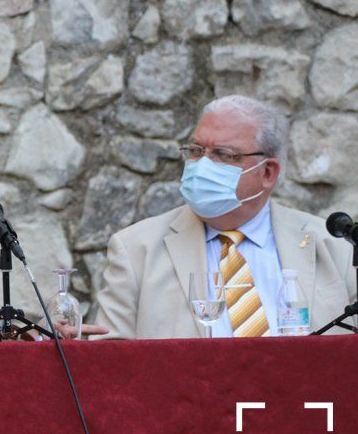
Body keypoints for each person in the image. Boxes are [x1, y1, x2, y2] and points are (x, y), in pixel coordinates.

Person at [93, 94, 356, 339]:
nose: (203, 165)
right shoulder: (137, 250)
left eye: (223, 155)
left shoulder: (334, 247)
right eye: (196, 151)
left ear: (268, 173)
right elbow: (109, 362)